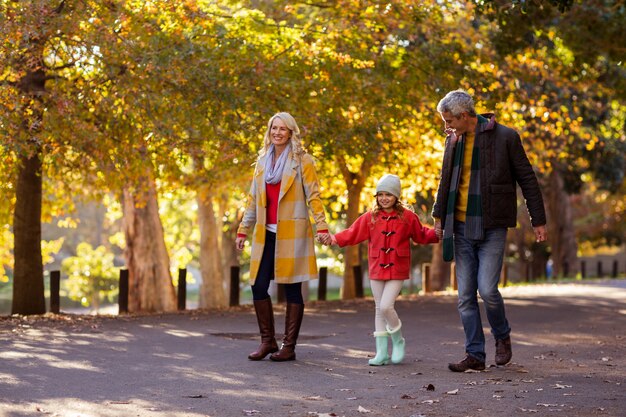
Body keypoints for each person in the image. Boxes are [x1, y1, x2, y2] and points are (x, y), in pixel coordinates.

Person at [432, 89, 547, 372]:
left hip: (492, 225)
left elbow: (527, 179)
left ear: (464, 116)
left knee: (488, 290)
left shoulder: (506, 137)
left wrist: (538, 219)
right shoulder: (453, 140)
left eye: (449, 120)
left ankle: (502, 336)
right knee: (465, 296)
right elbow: (445, 179)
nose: (446, 126)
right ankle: (475, 355)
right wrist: (438, 216)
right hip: (459, 226)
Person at [236, 112, 330, 362]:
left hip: (292, 234)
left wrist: (322, 226)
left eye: (282, 128)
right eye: (273, 128)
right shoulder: (262, 162)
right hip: (265, 234)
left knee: (292, 288)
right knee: (258, 285)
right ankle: (268, 341)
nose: (277, 132)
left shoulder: (303, 161)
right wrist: (243, 229)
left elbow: (314, 196)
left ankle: (289, 346)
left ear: (291, 132)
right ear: (269, 131)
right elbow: (253, 200)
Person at [326, 174, 438, 365]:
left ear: (396, 196)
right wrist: (334, 239)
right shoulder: (370, 217)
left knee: (387, 306)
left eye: (388, 194)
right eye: (380, 194)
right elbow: (352, 233)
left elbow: (421, 234)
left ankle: (398, 340)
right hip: (377, 265)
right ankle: (382, 352)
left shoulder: (408, 217)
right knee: (379, 308)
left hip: (398, 266)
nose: (384, 198)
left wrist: (437, 234)